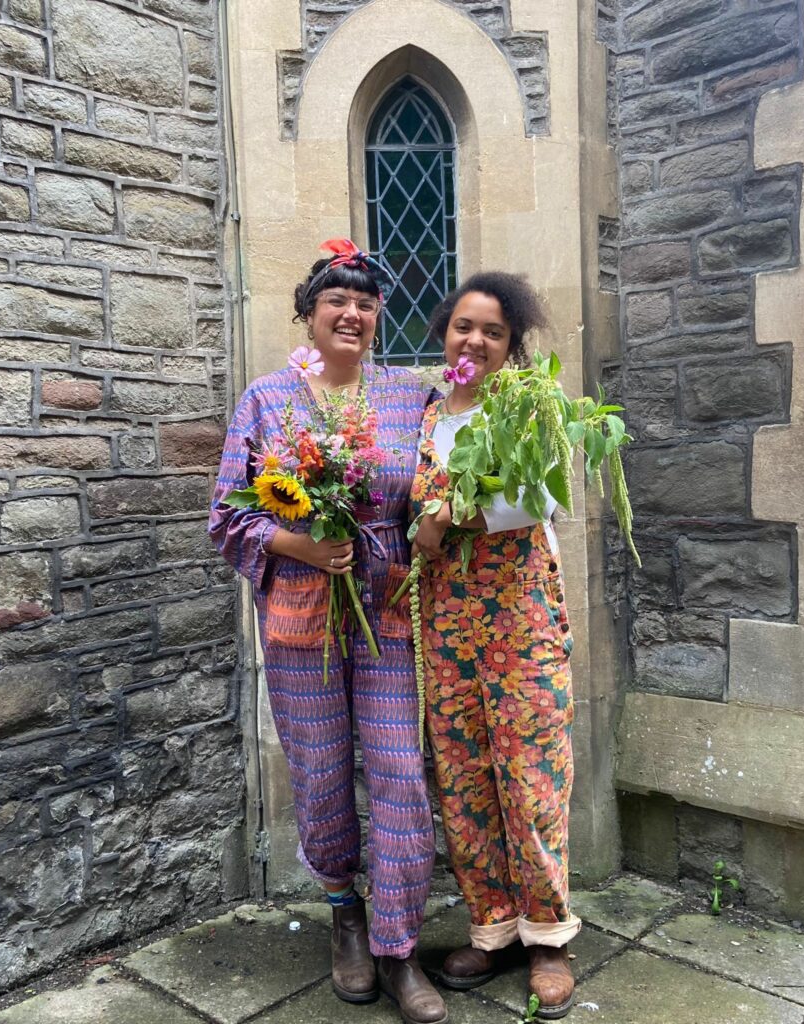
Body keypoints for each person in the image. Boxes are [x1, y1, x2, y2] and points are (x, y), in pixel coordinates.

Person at [209, 240, 447, 1024]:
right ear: (309, 313)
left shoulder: (412, 398)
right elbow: (228, 515)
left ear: (379, 316)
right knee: (318, 770)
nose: (353, 312)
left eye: (367, 301)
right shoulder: (268, 400)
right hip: (301, 614)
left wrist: (434, 529)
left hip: (386, 612)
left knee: (399, 773)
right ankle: (344, 911)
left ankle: (398, 945)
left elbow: (434, 494)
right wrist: (301, 543)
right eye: (336, 300)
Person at [409, 272, 580, 1019]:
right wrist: (429, 520)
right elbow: (409, 509)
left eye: (493, 331)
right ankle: (492, 927)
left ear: (513, 347)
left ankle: (547, 936)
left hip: (521, 622)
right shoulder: (425, 417)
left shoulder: (528, 408)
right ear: (444, 333)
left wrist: (446, 517)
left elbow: (536, 498)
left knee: (531, 774)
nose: (474, 340)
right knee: (465, 775)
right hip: (447, 625)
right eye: (463, 326)